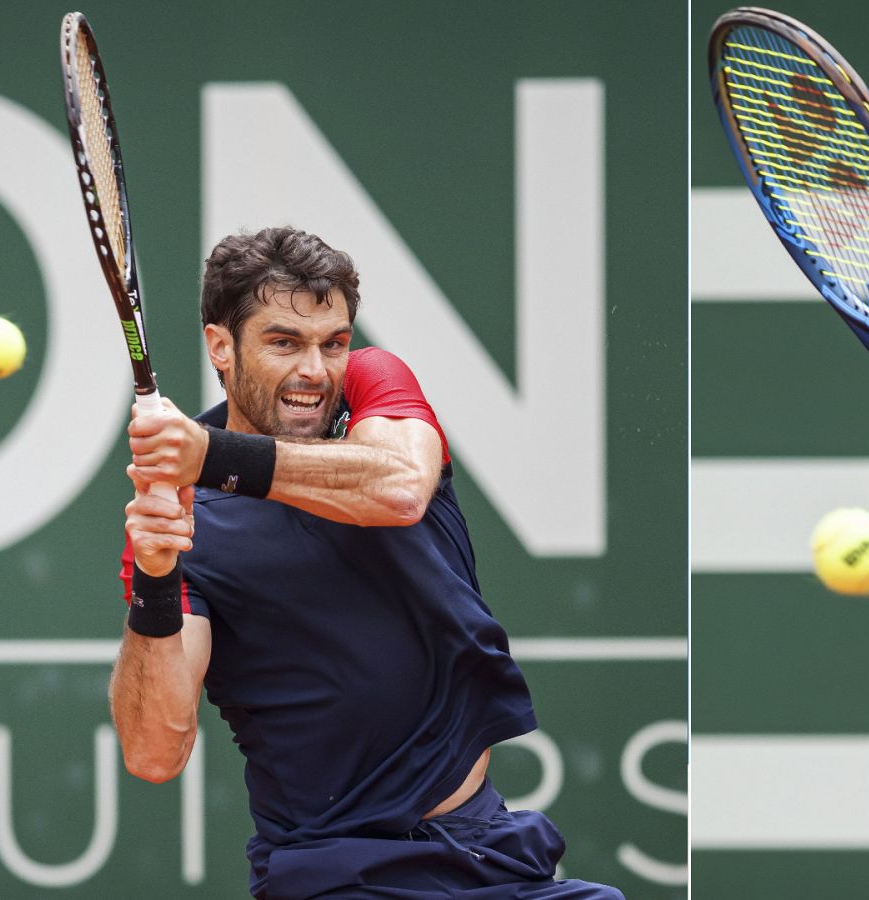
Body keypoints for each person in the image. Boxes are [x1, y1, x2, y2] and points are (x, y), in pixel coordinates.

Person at [113, 226, 622, 899]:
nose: (315, 371)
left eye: (333, 342)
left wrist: (212, 456)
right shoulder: (186, 523)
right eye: (283, 342)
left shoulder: (373, 391)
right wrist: (155, 575)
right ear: (221, 347)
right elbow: (153, 751)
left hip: (489, 850)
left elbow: (401, 490)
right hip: (338, 873)